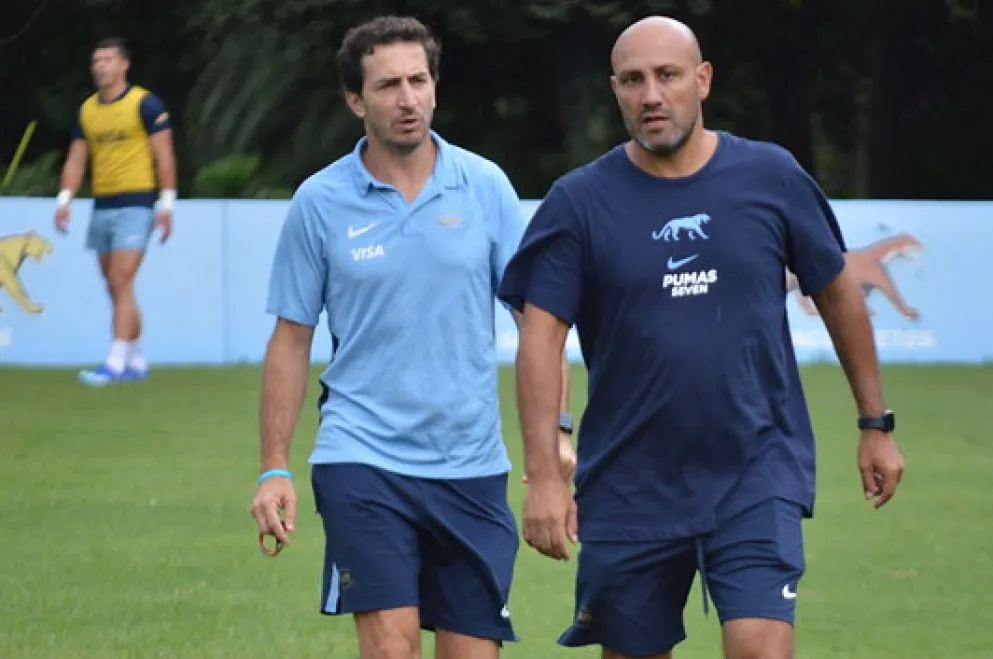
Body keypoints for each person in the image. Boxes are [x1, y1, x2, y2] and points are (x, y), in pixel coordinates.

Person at [497, 15, 906, 659]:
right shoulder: (578, 202)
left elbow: (837, 294)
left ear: (703, 80)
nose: (651, 95)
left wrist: (874, 423)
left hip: (755, 467)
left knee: (759, 648)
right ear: (615, 91)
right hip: (630, 481)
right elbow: (541, 340)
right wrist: (545, 477)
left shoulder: (771, 177)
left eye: (667, 76)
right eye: (633, 80)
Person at [248, 16, 575, 659]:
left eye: (418, 81)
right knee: (391, 647)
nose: (408, 99)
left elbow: (537, 328)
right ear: (354, 100)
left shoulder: (484, 187)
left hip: (471, 465)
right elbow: (290, 339)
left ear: (435, 86)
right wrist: (274, 467)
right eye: (389, 85)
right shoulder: (319, 202)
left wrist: (557, 434)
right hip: (361, 457)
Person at [55, 37, 176, 386]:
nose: (100, 66)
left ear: (124, 64)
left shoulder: (145, 104)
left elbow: (164, 154)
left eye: (107, 59)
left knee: (122, 278)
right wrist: (64, 199)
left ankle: (115, 361)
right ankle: (136, 360)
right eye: (96, 60)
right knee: (115, 285)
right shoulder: (88, 110)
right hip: (102, 203)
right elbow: (77, 158)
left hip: (137, 202)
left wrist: (166, 203)